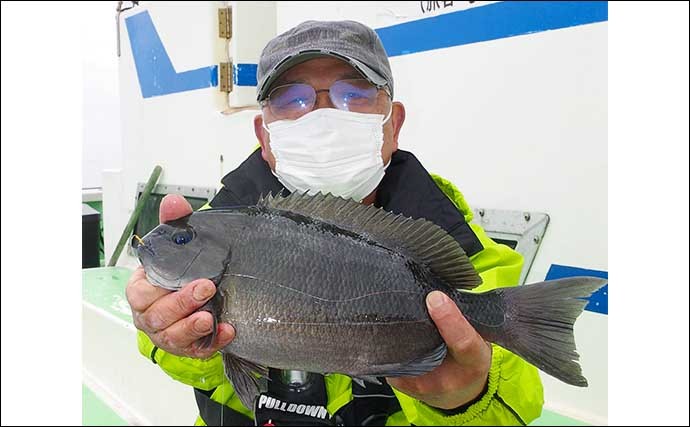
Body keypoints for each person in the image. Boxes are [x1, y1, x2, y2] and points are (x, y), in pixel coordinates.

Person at [126, 20, 544, 426]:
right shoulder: (224, 223)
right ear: (264, 136)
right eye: (292, 99)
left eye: (355, 93)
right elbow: (216, 367)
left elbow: (518, 399)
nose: (322, 116)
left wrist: (468, 396)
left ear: (393, 124)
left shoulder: (451, 238)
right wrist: (167, 332)